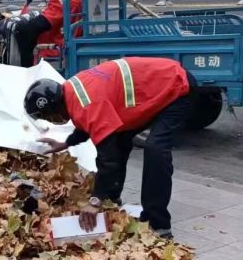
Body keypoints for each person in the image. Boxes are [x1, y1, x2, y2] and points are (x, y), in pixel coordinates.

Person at [23, 57, 197, 238]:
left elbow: (108, 158)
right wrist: (67, 143)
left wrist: (95, 200)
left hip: (175, 87)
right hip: (150, 92)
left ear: (53, 108)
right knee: (120, 140)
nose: (52, 121)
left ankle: (159, 224)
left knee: (155, 149)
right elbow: (89, 124)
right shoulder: (72, 93)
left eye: (49, 117)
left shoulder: (86, 103)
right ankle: (112, 202)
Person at [12, 0, 82, 67]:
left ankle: (27, 68)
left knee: (22, 29)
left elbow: (44, 22)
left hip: (59, 43)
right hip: (74, 34)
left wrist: (26, 24)